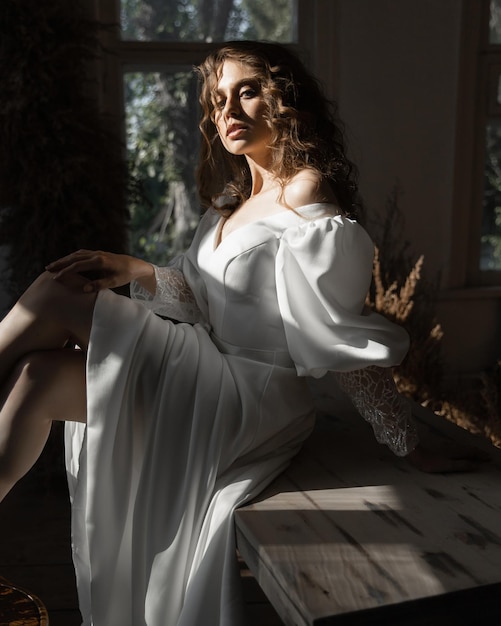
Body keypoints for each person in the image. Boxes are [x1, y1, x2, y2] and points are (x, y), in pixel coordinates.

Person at [0, 41, 478, 626]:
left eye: (248, 91)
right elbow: (206, 301)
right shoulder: (230, 204)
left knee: (56, 293)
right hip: (204, 368)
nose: (229, 109)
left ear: (286, 99)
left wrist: (410, 442)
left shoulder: (306, 196)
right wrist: (139, 271)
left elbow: (337, 339)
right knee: (36, 376)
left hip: (249, 396)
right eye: (219, 98)